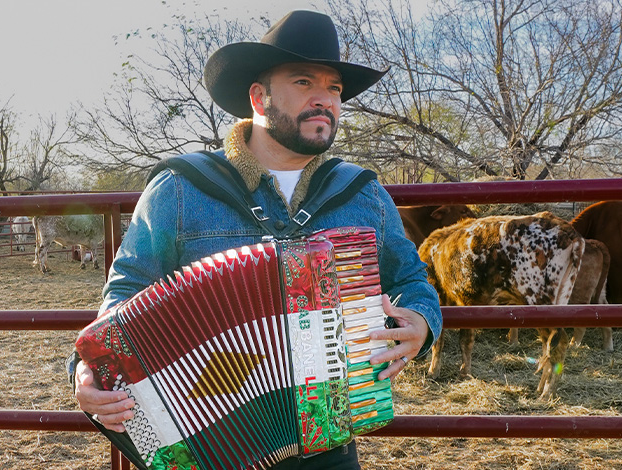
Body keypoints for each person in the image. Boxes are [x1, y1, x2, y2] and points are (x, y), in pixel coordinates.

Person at [73, 10, 442, 470]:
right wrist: (90, 369)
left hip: (329, 439)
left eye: (334, 88)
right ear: (258, 96)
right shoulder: (181, 188)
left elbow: (410, 279)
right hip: (210, 436)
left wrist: (422, 324)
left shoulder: (361, 192)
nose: (324, 99)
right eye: (304, 82)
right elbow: (126, 290)